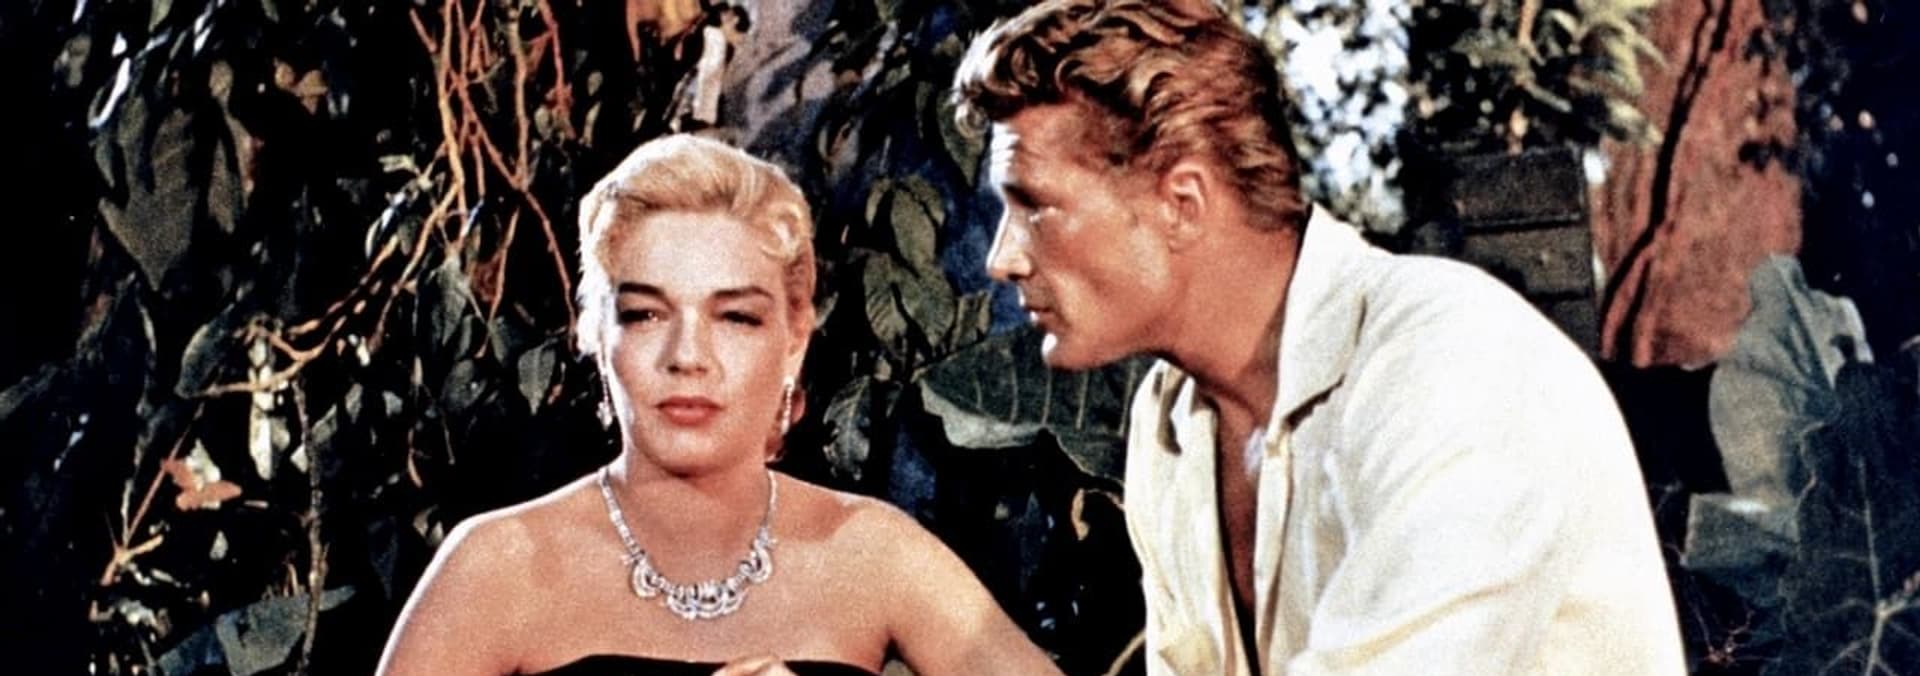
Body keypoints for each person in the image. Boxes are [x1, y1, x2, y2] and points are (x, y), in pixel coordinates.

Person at [951, 1, 1687, 674]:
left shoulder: (1455, 368)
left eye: (1035, 206)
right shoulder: (1171, 420)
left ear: (1183, 202)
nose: (1002, 258)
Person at [376, 134, 1061, 676]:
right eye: (645, 314)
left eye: (735, 317)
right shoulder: (497, 567)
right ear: (594, 335)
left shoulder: (871, 552)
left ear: (794, 340)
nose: (688, 356)